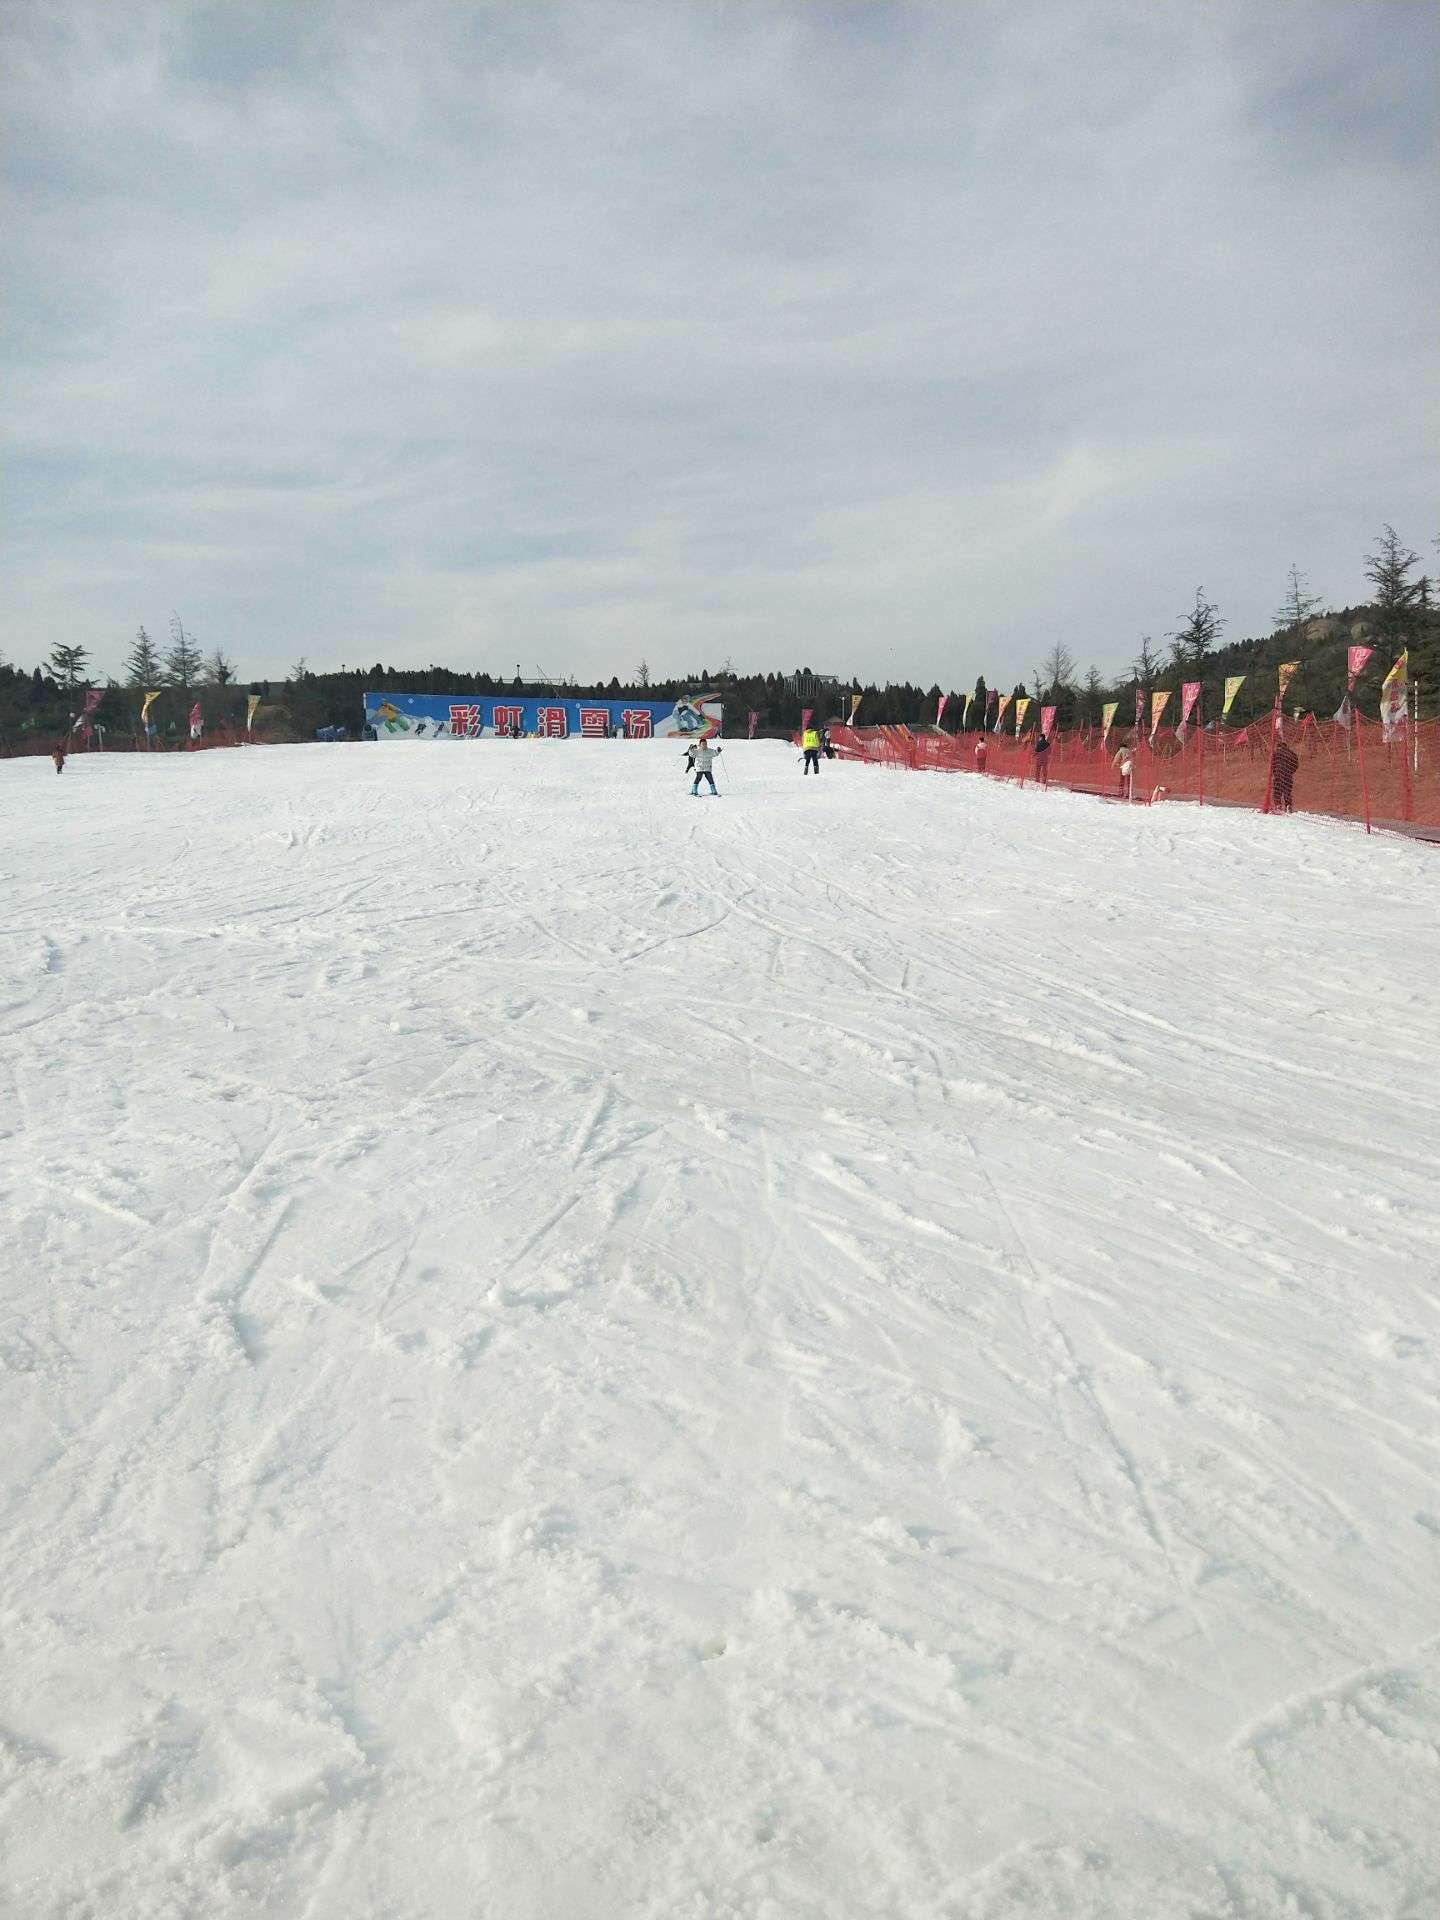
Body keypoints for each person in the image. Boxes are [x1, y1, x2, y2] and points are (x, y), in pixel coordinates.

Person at [1271, 738, 1299, 813]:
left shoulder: (1276, 753)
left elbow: (1272, 764)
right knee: (1287, 791)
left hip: (1278, 774)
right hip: (1288, 775)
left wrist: (1274, 772)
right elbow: (1296, 765)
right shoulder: (1292, 754)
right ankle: (1288, 806)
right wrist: (1290, 772)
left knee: (1277, 791)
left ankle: (1278, 805)